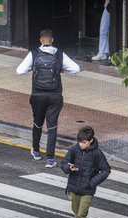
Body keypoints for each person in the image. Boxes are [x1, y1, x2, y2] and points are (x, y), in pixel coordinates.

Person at [16, 29, 80, 168]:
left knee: (38, 122)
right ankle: (50, 159)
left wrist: (31, 68)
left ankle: (36, 151)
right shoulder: (59, 54)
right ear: (52, 40)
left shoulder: (33, 54)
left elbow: (19, 71)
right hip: (55, 95)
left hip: (37, 95)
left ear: (40, 41)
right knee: (52, 126)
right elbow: (76, 69)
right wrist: (62, 70)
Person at [60, 126, 111, 218]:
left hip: (87, 191)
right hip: (73, 188)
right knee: (76, 214)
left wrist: (91, 183)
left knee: (80, 216)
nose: (81, 145)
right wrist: (69, 168)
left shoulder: (97, 153)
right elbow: (63, 163)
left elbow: (106, 170)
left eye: (84, 142)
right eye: (79, 142)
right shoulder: (74, 149)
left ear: (91, 140)